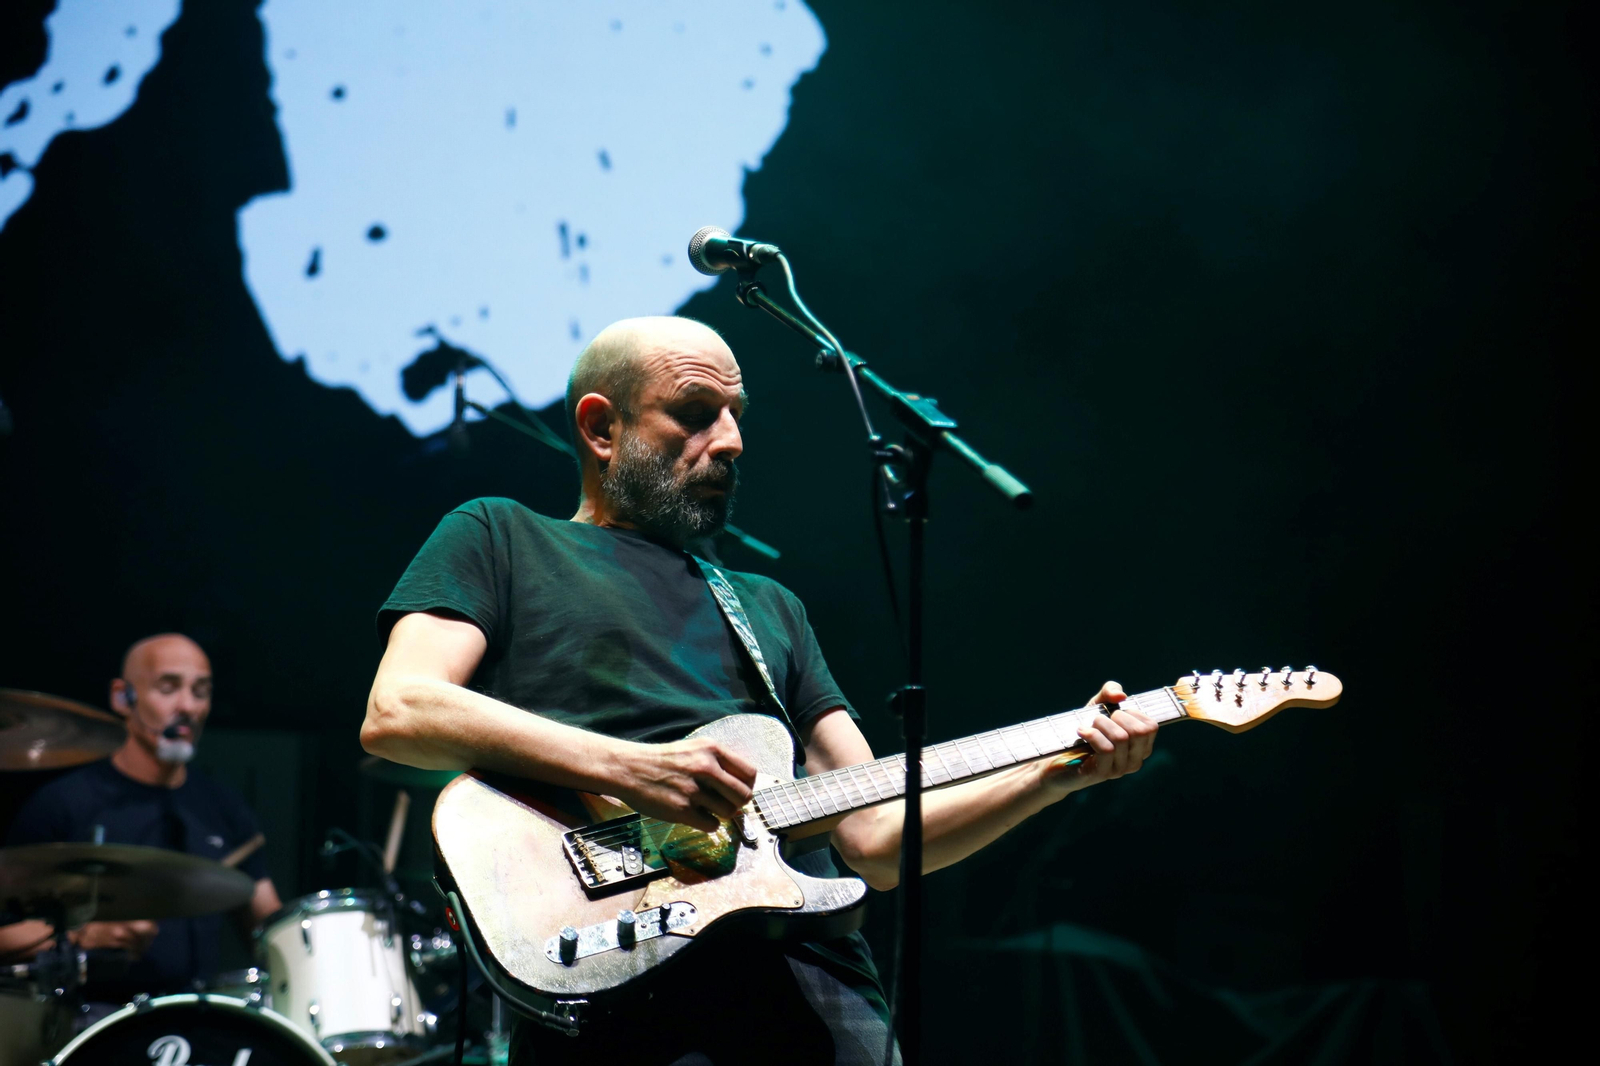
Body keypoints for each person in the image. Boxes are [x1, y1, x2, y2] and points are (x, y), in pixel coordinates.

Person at [361, 316, 1158, 1065]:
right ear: (601, 428)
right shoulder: (501, 537)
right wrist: (633, 769)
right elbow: (399, 710)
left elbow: (877, 840)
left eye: (736, 415)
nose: (731, 440)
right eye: (694, 413)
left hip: (812, 987)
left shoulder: (769, 607)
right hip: (612, 966)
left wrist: (1053, 775)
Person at [0, 633, 281, 1005]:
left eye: (200, 692)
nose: (188, 706)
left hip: (196, 1017)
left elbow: (271, 926)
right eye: (168, 688)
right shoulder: (64, 803)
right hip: (88, 1020)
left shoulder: (222, 806)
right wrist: (82, 936)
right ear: (123, 697)